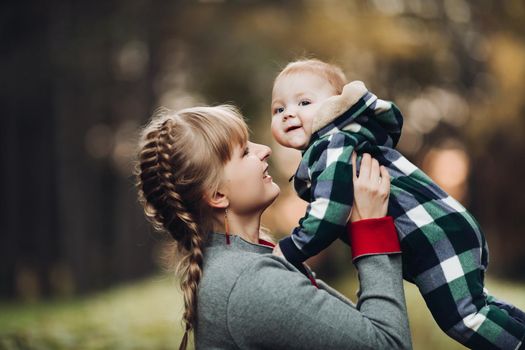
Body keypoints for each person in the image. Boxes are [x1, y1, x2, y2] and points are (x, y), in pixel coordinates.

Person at [270, 58, 525, 349]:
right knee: (482, 306)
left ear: (336, 106)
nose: (289, 114)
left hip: (435, 235)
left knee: (465, 319)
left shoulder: (332, 144)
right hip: (444, 229)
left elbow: (330, 211)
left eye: (303, 103)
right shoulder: (342, 143)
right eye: (279, 109)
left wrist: (290, 249)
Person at [134, 105, 412, 349]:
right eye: (244, 152)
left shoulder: (245, 264)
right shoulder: (250, 283)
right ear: (218, 195)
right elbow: (388, 344)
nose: (265, 150)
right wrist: (371, 228)